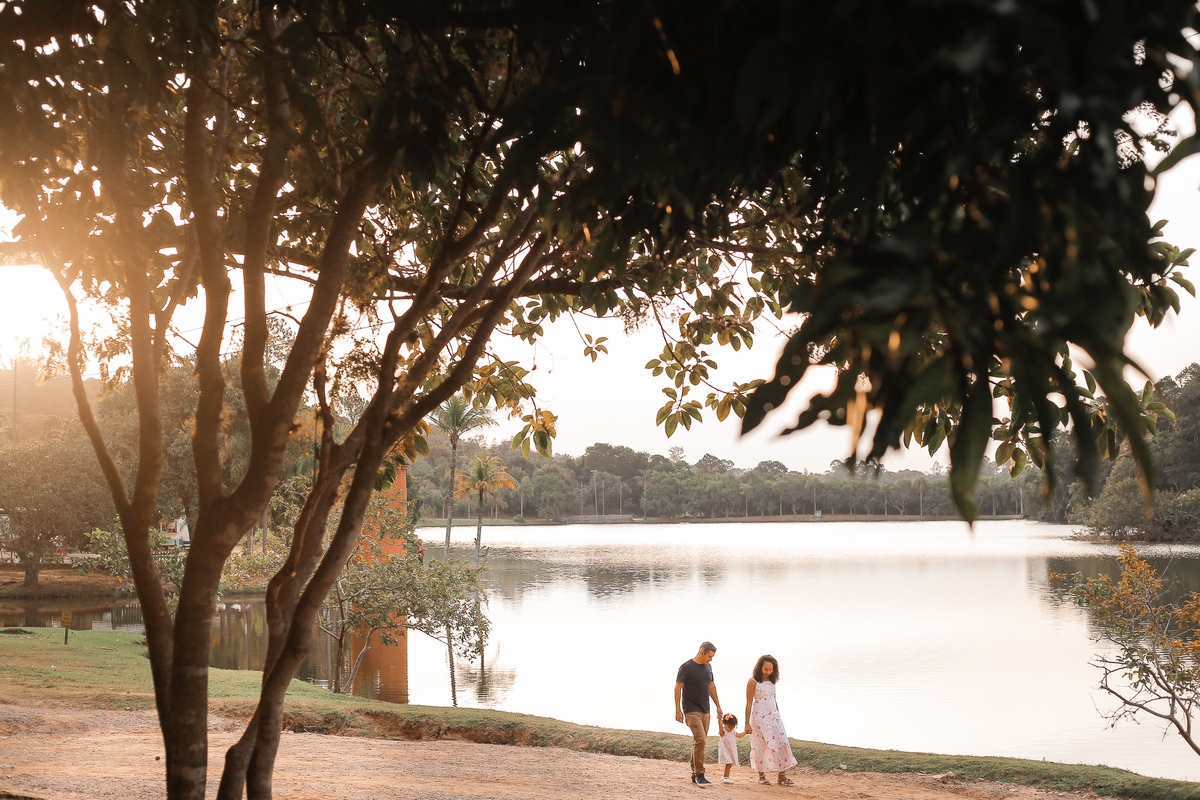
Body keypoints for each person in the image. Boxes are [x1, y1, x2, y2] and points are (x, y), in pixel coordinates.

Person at [744, 654, 798, 786]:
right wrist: (746, 723)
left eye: (771, 669)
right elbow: (749, 703)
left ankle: (782, 775)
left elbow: (774, 699)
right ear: (759, 668)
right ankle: (761, 776)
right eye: (765, 669)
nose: (768, 672)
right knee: (760, 745)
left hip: (774, 717)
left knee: (781, 742)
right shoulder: (753, 681)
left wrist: (778, 715)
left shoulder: (772, 681)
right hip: (759, 718)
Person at [675, 641, 723, 787]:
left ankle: (694, 775)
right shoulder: (686, 667)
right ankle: (700, 775)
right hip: (691, 710)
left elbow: (712, 687)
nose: (711, 659)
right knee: (701, 740)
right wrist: (678, 710)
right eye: (709, 656)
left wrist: (718, 707)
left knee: (699, 743)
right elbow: (678, 688)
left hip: (706, 710)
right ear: (702, 653)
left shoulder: (708, 667)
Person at [717, 713, 747, 783]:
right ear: (725, 724)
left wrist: (745, 732)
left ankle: (725, 776)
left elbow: (738, 735)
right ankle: (725, 776)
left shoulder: (733, 731)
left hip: (731, 749)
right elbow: (720, 725)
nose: (731, 728)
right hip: (724, 749)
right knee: (729, 763)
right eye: (729, 726)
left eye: (733, 726)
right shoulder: (723, 731)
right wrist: (719, 720)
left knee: (730, 763)